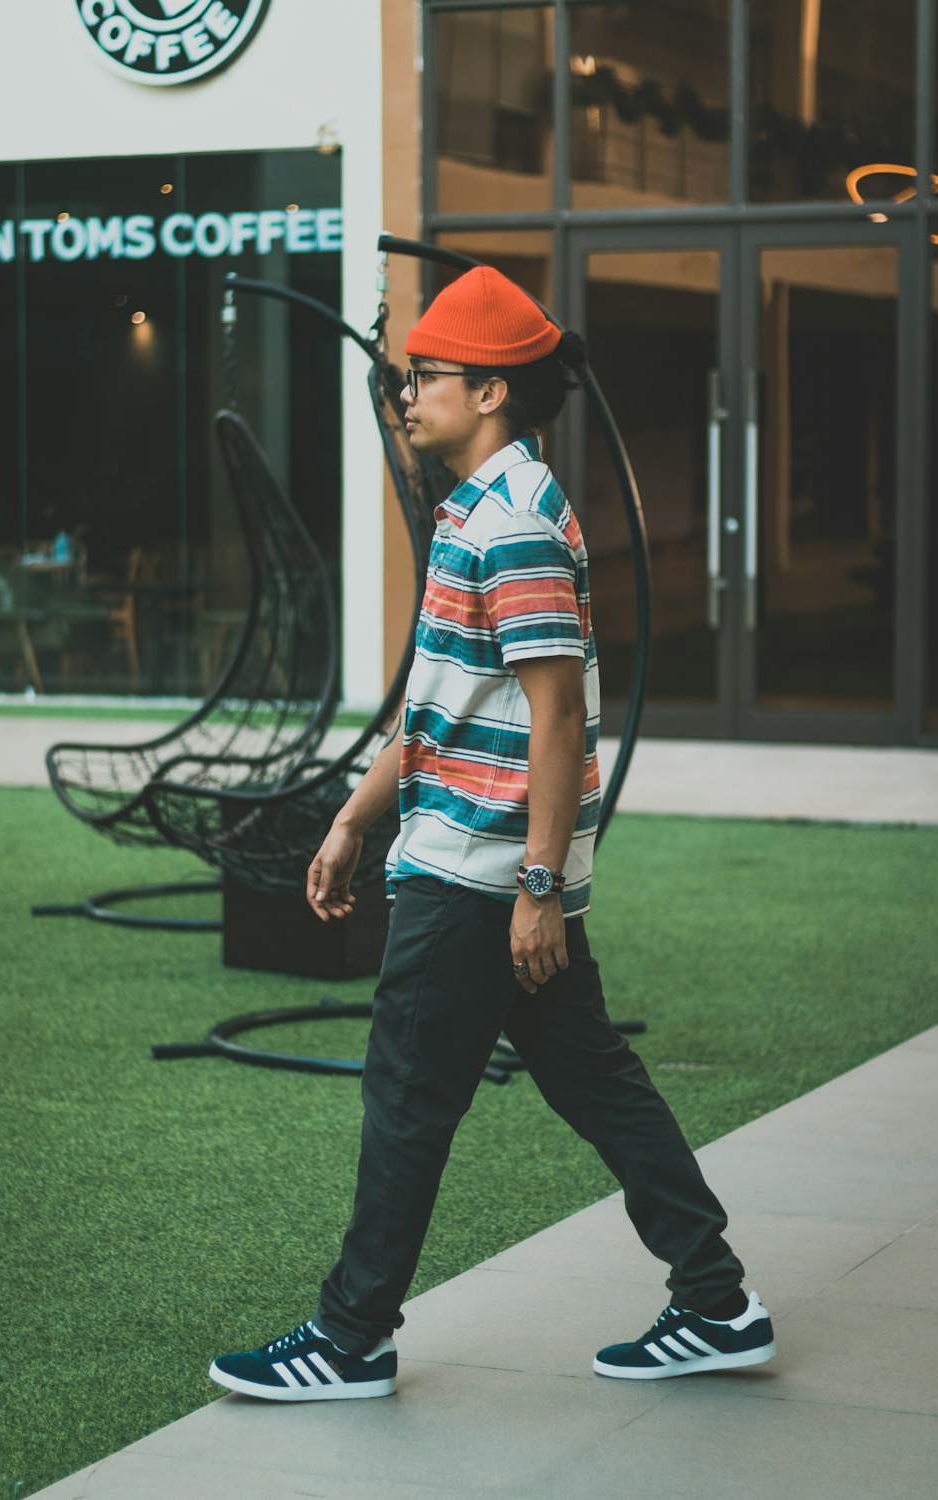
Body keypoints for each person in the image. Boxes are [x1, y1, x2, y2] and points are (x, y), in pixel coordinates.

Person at [209, 266, 775, 1402]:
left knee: (408, 1094)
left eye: (425, 377)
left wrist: (532, 886)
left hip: (478, 874)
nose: (406, 394)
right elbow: (446, 707)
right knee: (594, 1079)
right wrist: (354, 819)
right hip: (467, 856)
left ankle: (348, 1337)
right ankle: (718, 1304)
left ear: (491, 394)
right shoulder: (475, 512)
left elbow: (557, 716)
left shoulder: (510, 524)